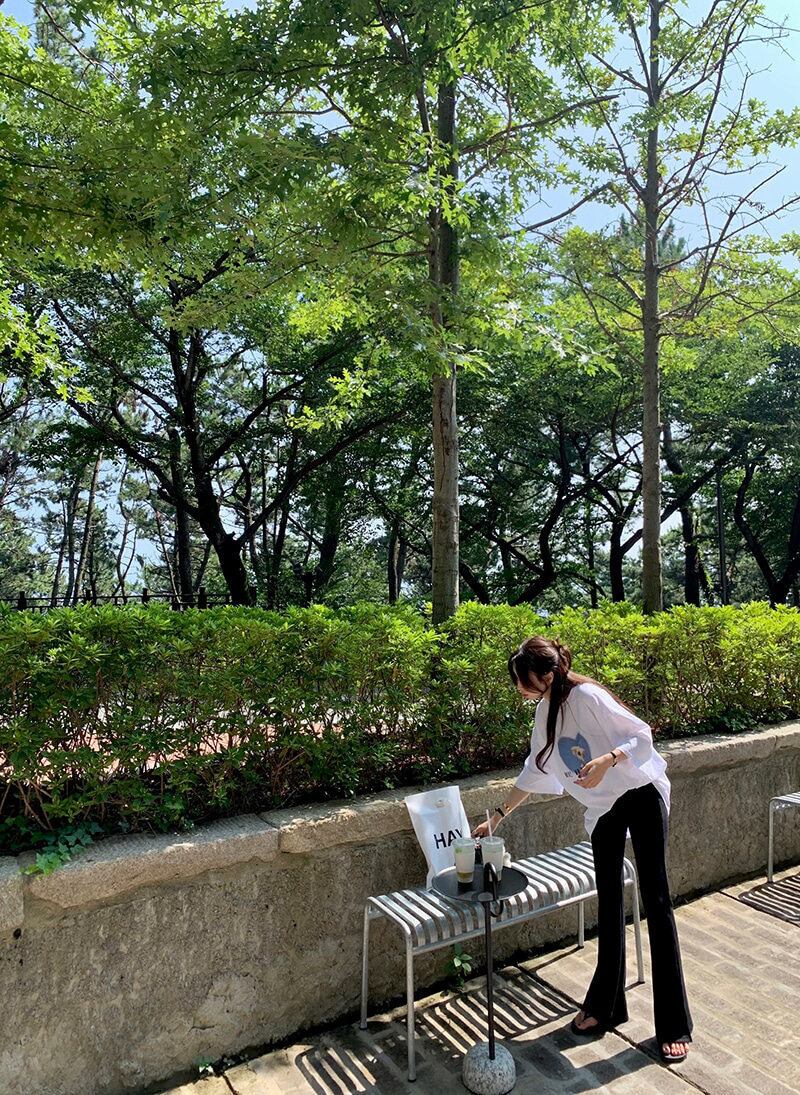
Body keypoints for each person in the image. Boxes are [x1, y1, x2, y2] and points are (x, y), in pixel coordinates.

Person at [471, 635, 693, 1065]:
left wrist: (609, 759)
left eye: (523, 679)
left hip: (641, 793)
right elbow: (534, 769)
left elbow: (641, 736)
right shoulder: (544, 712)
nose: (520, 688)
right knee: (608, 903)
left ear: (547, 674)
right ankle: (605, 1007)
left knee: (657, 900)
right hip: (603, 808)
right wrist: (497, 816)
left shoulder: (588, 696)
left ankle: (673, 1024)